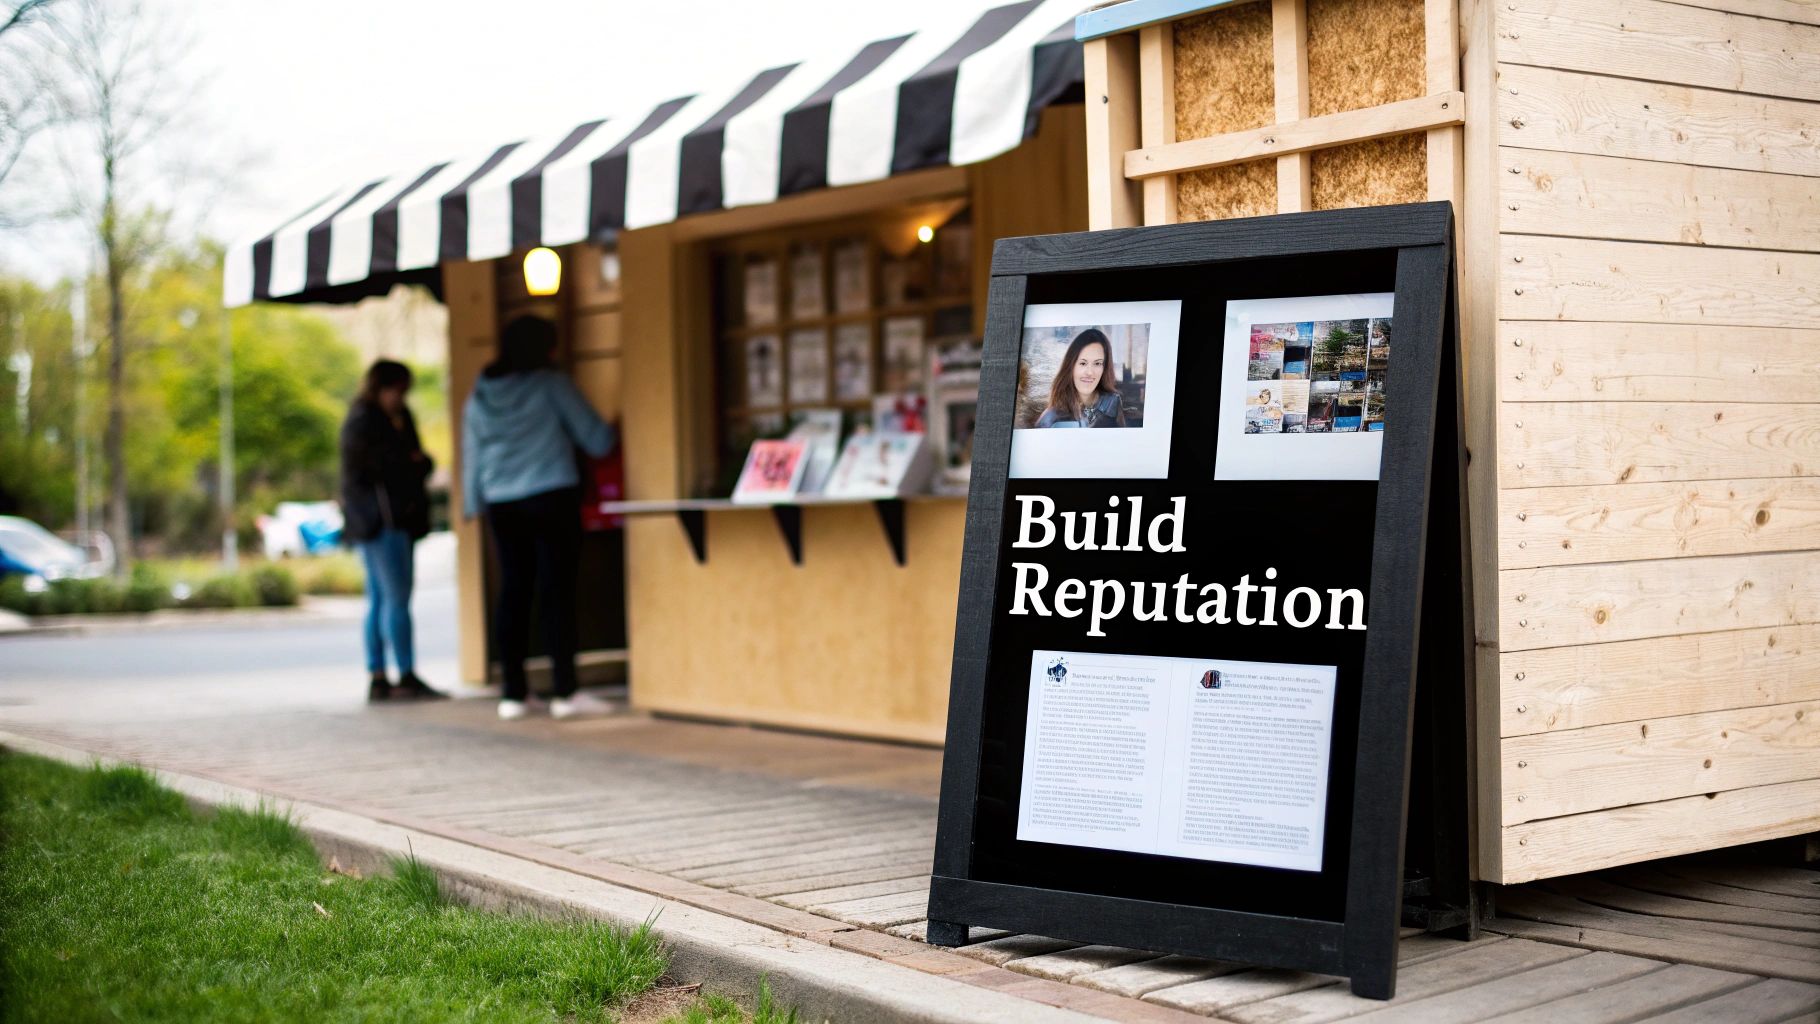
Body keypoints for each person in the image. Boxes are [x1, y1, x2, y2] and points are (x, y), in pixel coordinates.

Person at [462, 316, 617, 721]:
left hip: (501, 502)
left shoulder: (480, 394)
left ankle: (514, 694)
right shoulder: (551, 384)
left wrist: (471, 503)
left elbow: (472, 453)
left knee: (514, 590)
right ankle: (566, 691)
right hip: (551, 494)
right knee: (556, 590)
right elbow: (597, 439)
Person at [340, 359, 445, 703]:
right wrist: (409, 462)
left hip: (391, 520)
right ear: (380, 388)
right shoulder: (365, 422)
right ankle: (402, 673)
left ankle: (381, 675)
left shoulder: (395, 418)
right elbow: (387, 467)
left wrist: (416, 462)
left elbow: (418, 461)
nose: (400, 397)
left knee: (381, 599)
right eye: (396, 390)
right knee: (395, 599)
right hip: (382, 522)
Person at [1035, 328, 1126, 428]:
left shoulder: (1113, 402)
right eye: (1083, 363)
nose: (1090, 372)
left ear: (1104, 368)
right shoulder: (1050, 418)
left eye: (1097, 363)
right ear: (1071, 366)